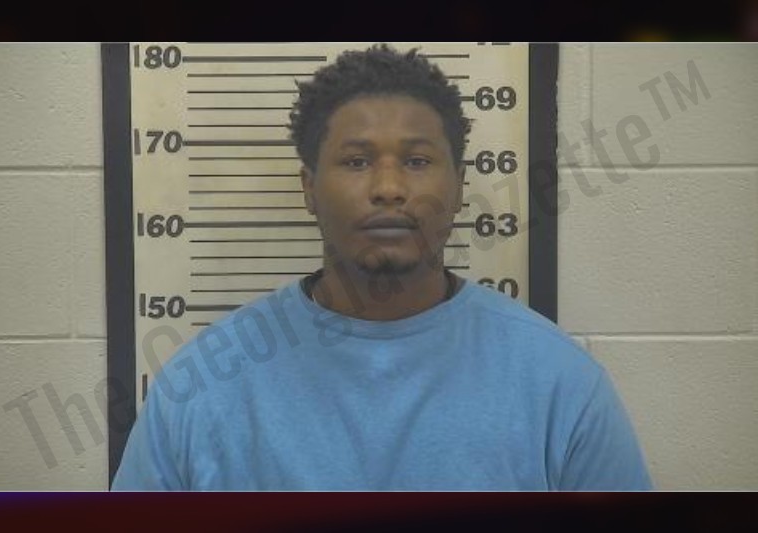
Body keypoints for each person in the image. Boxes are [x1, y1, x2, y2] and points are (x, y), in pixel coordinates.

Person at [112, 44, 652, 490]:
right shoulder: (200, 388)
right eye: (357, 161)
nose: (389, 188)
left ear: (459, 185)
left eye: (417, 161)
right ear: (309, 188)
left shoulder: (560, 385)